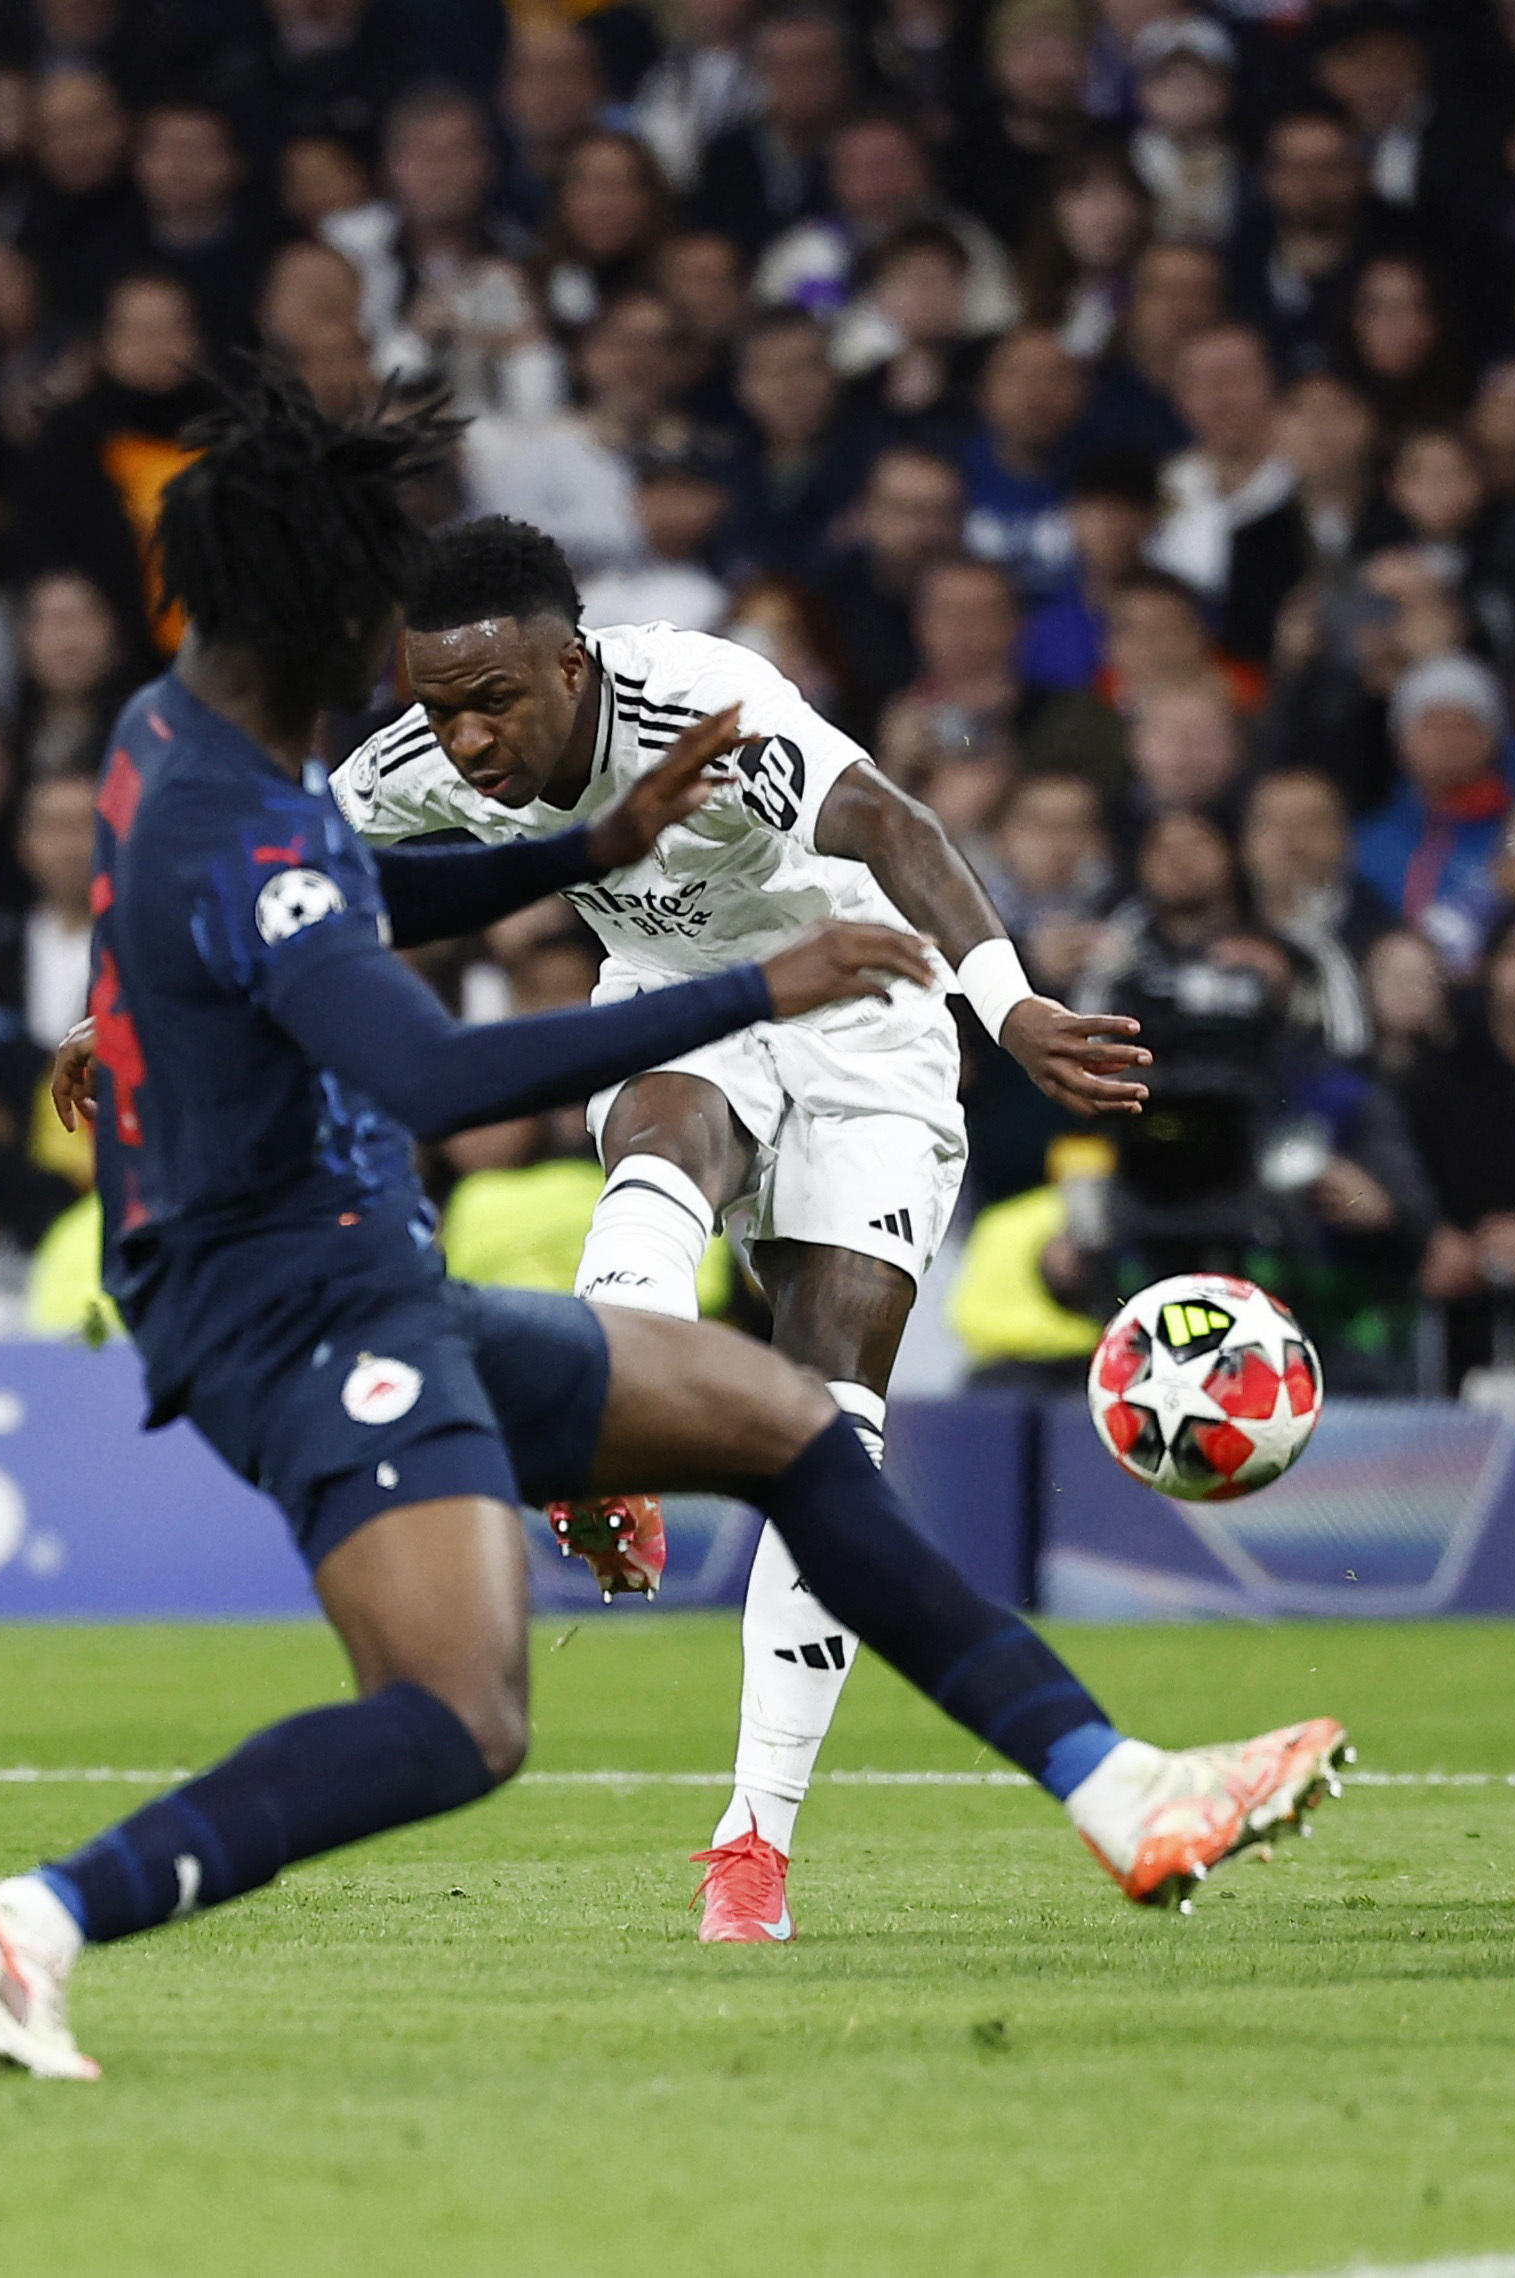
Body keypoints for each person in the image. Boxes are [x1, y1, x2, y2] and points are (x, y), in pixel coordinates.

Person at [0, 376, 1346, 2082]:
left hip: (362, 1276)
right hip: (294, 1306)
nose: (439, 716)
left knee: (808, 1434)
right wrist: (752, 978)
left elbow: (395, 888)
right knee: (458, 1714)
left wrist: (597, 844)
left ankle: (1117, 1791)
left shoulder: (181, 740)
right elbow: (427, 1067)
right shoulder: (261, 814)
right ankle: (39, 1913)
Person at [333, 514, 1153, 1944]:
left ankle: (751, 1841)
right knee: (666, 1126)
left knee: (826, 1413)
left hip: (868, 1007)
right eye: (437, 706)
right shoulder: (411, 767)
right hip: (680, 993)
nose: (463, 741)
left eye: (492, 701)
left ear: (571, 664)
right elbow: (252, 890)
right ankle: (602, 1436)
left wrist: (1007, 1004)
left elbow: (890, 823)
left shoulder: (698, 708)